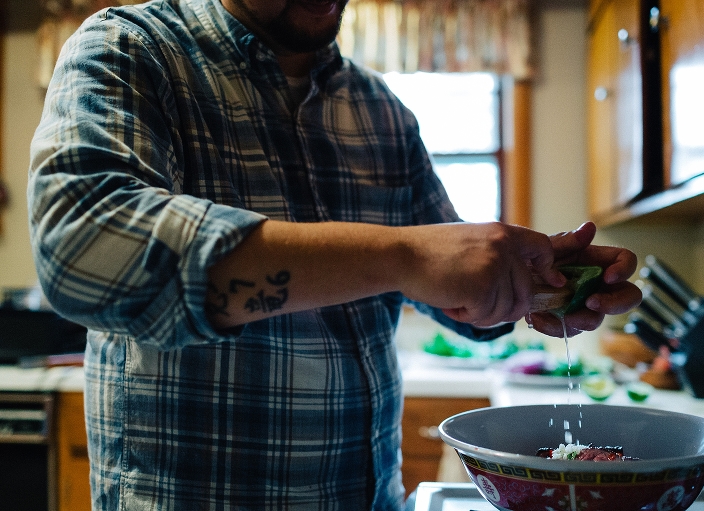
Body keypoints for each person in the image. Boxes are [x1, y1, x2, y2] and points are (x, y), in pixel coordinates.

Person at [27, 0, 642, 509]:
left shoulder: (381, 112)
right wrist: (403, 255)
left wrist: (535, 282)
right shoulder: (133, 49)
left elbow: (451, 285)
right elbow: (81, 251)